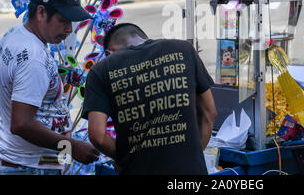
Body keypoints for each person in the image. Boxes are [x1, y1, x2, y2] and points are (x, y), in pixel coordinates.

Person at [0, 0, 100, 175]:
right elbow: (21, 124)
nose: (69, 29)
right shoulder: (33, 57)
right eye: (63, 20)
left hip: (19, 162)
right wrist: (72, 147)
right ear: (41, 12)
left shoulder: (15, 35)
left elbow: (21, 77)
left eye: (72, 22)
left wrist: (53, 77)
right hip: (30, 168)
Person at [82, 23, 218, 175]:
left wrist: (125, 159)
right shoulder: (184, 50)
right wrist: (192, 157)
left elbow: (98, 135)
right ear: (145, 39)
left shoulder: (101, 70)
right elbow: (209, 113)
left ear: (109, 52)